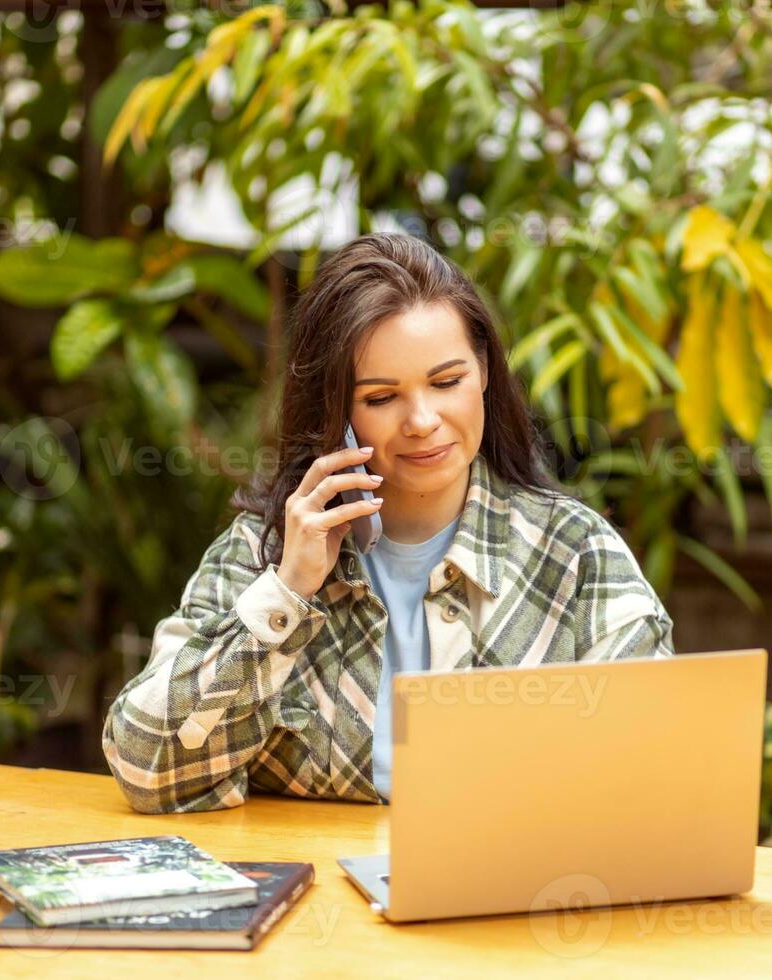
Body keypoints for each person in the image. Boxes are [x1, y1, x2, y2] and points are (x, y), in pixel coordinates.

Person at [103, 232, 675, 814]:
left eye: (447, 382)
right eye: (381, 398)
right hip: (318, 892)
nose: (423, 420)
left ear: (484, 375)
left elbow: (656, 778)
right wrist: (286, 594)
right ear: (335, 414)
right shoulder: (263, 550)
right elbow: (146, 770)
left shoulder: (576, 554)